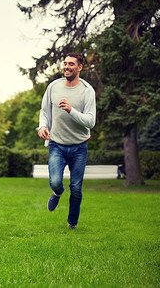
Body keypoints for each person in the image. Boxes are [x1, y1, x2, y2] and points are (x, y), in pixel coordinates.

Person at [37, 52, 96, 230]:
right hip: (57, 145)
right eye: (65, 63)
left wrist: (71, 110)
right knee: (55, 181)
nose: (67, 66)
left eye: (71, 64)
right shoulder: (53, 87)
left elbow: (91, 121)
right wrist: (42, 126)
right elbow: (44, 111)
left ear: (80, 67)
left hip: (79, 147)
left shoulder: (87, 91)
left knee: (76, 189)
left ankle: (72, 223)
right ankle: (57, 192)